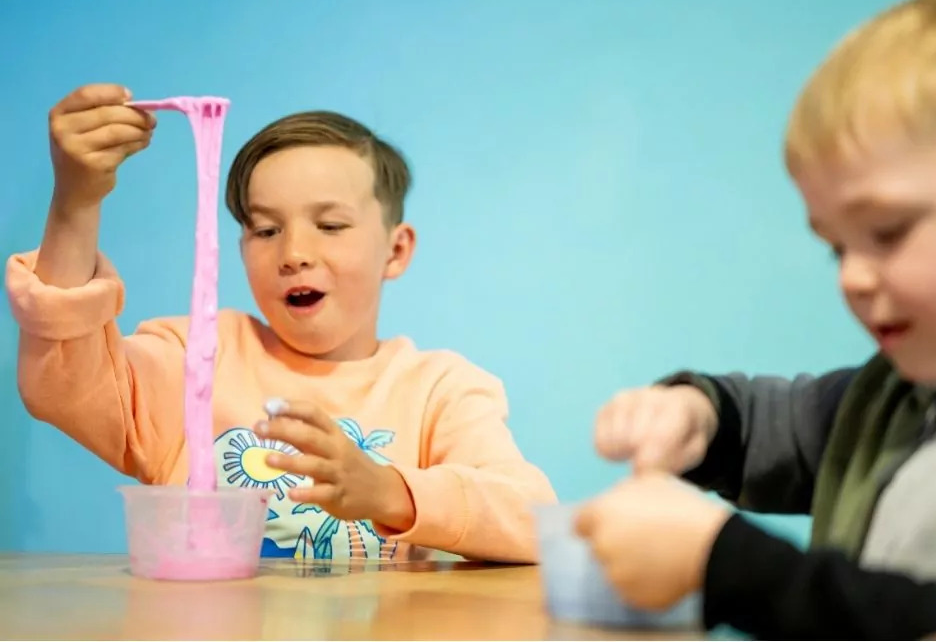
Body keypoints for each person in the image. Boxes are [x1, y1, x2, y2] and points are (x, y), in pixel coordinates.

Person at [576, 0, 936, 638]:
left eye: (887, 232)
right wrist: (696, 415)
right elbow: (773, 422)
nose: (854, 277)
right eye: (835, 248)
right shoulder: (891, 395)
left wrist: (722, 563)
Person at [6, 84, 556, 563]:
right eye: (266, 230)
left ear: (396, 250)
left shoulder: (441, 391)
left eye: (331, 225)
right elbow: (61, 382)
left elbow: (533, 521)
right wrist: (76, 204)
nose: (294, 252)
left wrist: (387, 491)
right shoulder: (196, 356)